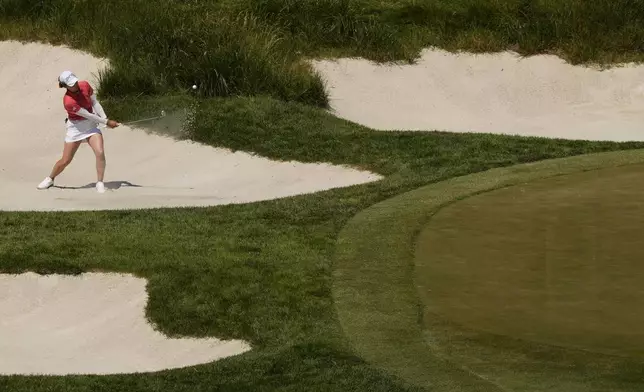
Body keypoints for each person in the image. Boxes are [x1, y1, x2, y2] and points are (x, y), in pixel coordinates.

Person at [37, 71, 120, 193]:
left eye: (75, 82)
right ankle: (50, 178)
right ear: (65, 86)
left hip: (91, 126)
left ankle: (100, 182)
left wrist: (105, 118)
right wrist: (106, 122)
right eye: (71, 84)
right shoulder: (68, 101)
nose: (75, 85)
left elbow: (94, 103)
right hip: (75, 129)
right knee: (66, 160)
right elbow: (88, 115)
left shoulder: (85, 85)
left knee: (100, 152)